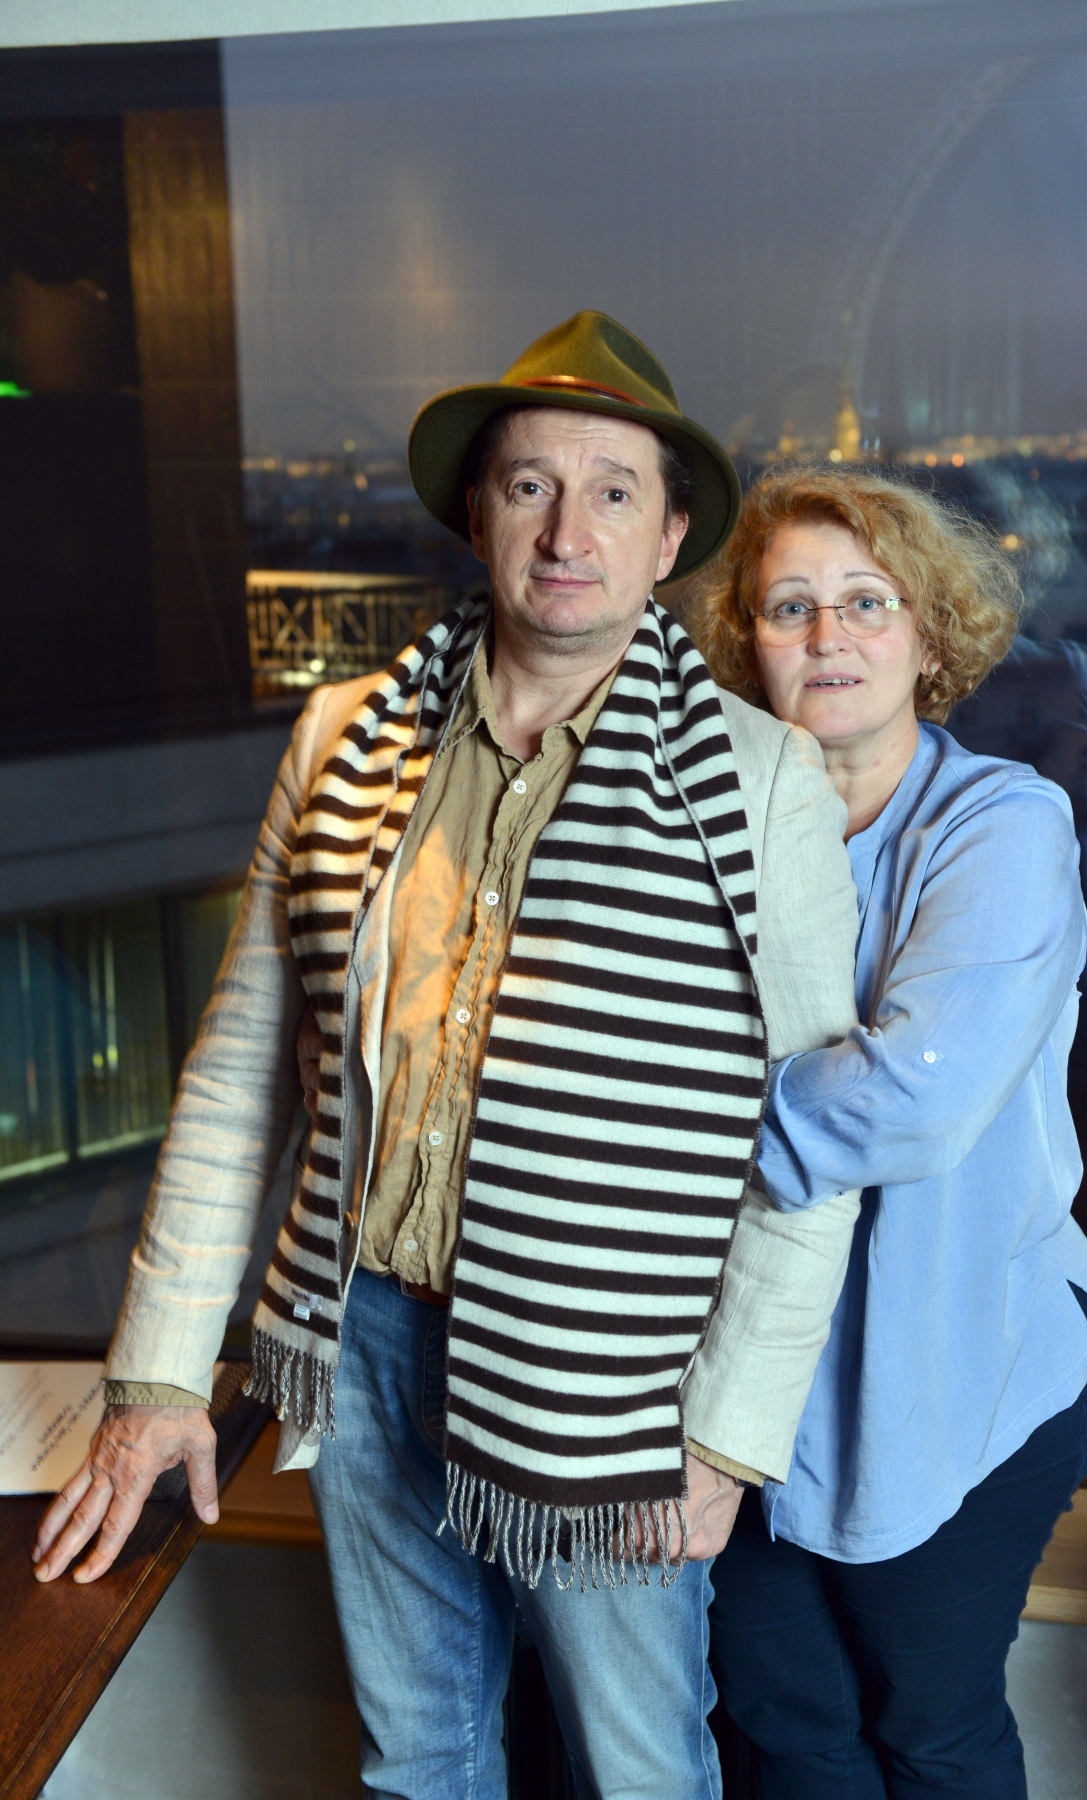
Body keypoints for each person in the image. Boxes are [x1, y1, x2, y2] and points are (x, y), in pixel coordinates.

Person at [33, 313, 864, 1800]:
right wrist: (156, 1374)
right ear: (478, 514)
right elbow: (237, 1072)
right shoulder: (341, 742)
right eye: (529, 484)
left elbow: (813, 1140)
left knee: (640, 1771)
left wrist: (726, 1441)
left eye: (613, 491)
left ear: (670, 537)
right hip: (357, 1334)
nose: (566, 531)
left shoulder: (760, 782)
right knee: (416, 1761)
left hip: (607, 1378)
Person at [690, 464, 1087, 1800]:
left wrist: (670, 1125)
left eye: (866, 602)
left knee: (927, 1732)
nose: (827, 635)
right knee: (782, 1725)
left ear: (929, 637)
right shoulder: (707, 830)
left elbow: (913, 1101)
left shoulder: (1002, 824)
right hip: (753, 1385)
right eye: (789, 607)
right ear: (749, 647)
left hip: (963, 1374)